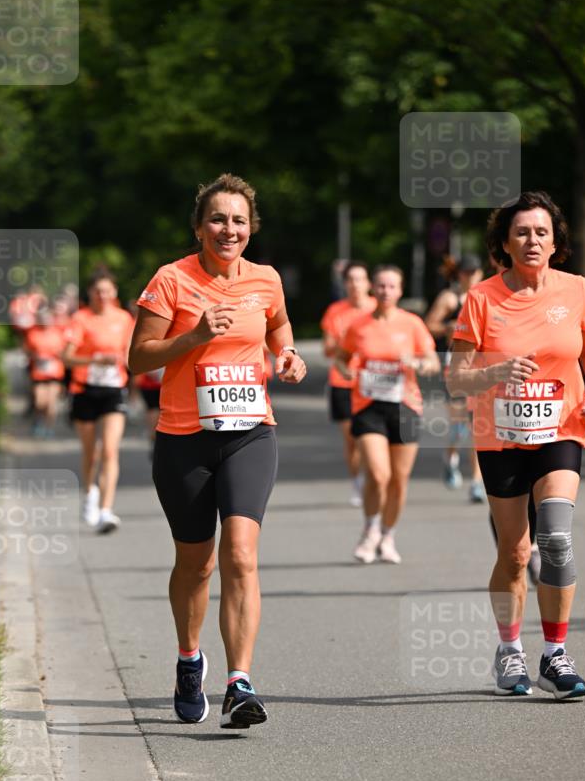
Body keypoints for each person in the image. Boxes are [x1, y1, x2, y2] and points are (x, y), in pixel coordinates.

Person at [128, 173, 307, 729]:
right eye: (217, 219)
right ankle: (189, 658)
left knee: (242, 555)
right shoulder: (171, 280)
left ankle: (239, 682)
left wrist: (289, 354)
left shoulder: (266, 279)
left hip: (251, 429)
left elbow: (278, 325)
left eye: (238, 221)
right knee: (197, 563)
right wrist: (195, 336)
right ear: (199, 226)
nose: (228, 229)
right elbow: (138, 360)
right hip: (184, 438)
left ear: (251, 228)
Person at [448, 190, 585, 700]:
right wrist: (496, 370)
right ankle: (509, 648)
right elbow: (456, 379)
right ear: (504, 243)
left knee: (555, 538)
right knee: (514, 553)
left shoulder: (578, 290)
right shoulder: (482, 298)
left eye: (541, 232)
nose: (532, 241)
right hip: (501, 437)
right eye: (521, 233)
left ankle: (555, 653)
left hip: (561, 428)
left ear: (556, 242)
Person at [337, 265, 439, 564]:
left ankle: (388, 535)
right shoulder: (359, 325)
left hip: (405, 406)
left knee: (399, 480)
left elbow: (432, 361)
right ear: (374, 289)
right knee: (379, 475)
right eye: (380, 286)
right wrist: (350, 374)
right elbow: (343, 359)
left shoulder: (412, 324)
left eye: (391, 286)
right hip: (368, 407)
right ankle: (369, 530)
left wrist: (418, 365)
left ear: (400, 291)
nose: (385, 291)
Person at [63, 270, 135, 534]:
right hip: (84, 390)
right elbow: (66, 357)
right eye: (98, 291)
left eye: (107, 291)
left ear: (115, 293)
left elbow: (130, 354)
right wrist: (94, 360)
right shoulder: (81, 319)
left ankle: (106, 510)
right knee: (91, 452)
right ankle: (90, 493)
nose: (103, 296)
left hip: (113, 389)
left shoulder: (124, 318)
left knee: (110, 451)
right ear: (90, 294)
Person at [425, 254, 485, 501]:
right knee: (460, 426)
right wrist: (449, 328)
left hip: (482, 368)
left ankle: (476, 483)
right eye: (466, 272)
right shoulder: (451, 298)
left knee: (478, 428)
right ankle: (450, 457)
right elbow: (429, 324)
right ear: (458, 274)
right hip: (456, 367)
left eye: (475, 272)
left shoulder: (487, 297)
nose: (471, 276)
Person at [320, 262, 377, 506]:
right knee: (352, 438)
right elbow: (327, 350)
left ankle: (369, 477)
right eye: (350, 280)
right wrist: (348, 341)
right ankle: (357, 480)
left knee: (369, 436)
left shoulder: (377, 308)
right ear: (345, 284)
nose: (355, 284)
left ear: (368, 284)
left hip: (372, 383)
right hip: (342, 381)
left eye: (360, 279)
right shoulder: (335, 311)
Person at [23, 305, 67, 437]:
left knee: (51, 403)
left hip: (55, 372)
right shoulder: (32, 333)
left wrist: (56, 355)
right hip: (39, 372)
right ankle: (38, 422)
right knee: (39, 401)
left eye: (46, 317)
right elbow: (27, 351)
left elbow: (66, 352)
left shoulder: (59, 333)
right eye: (41, 317)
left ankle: (49, 427)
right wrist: (35, 356)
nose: (44, 320)